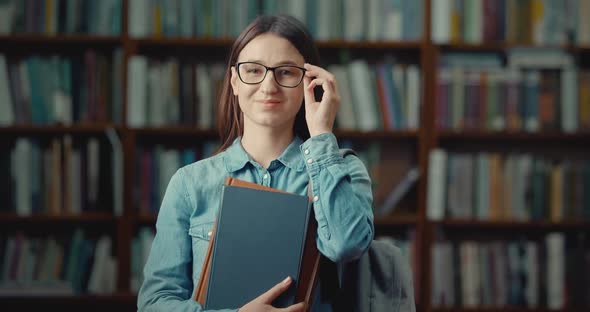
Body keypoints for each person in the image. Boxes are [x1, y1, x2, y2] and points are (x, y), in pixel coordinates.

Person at [137, 14, 375, 312]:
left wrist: (321, 135)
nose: (268, 85)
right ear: (235, 82)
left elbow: (346, 245)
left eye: (286, 72)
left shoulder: (344, 170)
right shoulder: (190, 183)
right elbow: (154, 304)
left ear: (310, 82)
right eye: (253, 70)